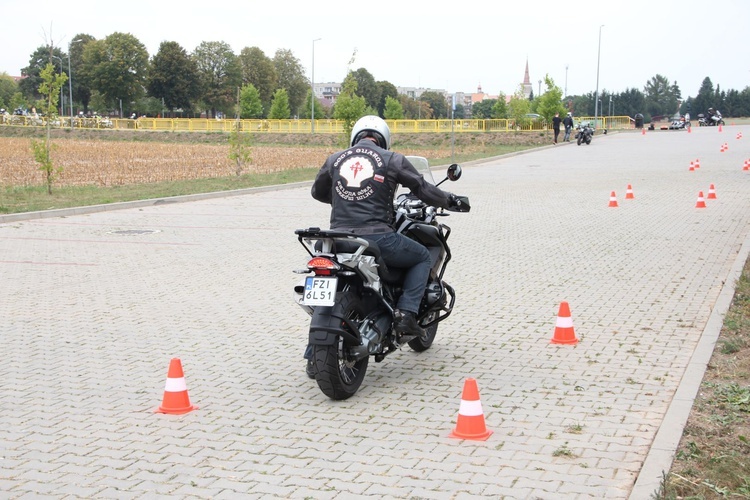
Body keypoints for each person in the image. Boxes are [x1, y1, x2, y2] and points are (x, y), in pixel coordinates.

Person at [307, 115, 461, 376]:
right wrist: (449, 200)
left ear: (355, 136)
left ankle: (314, 355)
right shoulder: (392, 160)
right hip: (377, 236)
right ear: (383, 139)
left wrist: (347, 200)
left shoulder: (335, 159)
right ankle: (406, 315)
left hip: (338, 238)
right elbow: (422, 188)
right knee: (421, 257)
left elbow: (318, 192)